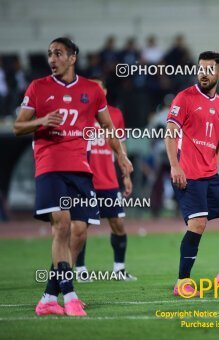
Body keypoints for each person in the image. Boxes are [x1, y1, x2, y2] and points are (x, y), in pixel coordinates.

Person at [13, 37, 132, 316]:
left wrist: (121, 156)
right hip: (50, 165)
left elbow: (108, 127)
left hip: (81, 169)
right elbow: (18, 126)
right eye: (49, 54)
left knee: (79, 231)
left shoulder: (91, 90)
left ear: (73, 57)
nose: (52, 58)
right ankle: (70, 295)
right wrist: (41, 121)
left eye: (58, 53)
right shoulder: (38, 87)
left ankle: (47, 298)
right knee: (62, 225)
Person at [165, 51, 219, 297]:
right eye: (201, 68)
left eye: (210, 69)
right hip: (188, 174)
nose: (203, 73)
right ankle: (182, 282)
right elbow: (170, 131)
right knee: (198, 224)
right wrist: (174, 166)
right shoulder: (185, 97)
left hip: (211, 177)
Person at [75, 78, 137, 282]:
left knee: (118, 223)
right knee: (81, 228)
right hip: (85, 180)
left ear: (105, 91)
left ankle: (119, 270)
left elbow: (121, 147)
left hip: (109, 181)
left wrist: (126, 175)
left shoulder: (116, 114)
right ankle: (80, 270)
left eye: (98, 88)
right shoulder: (79, 113)